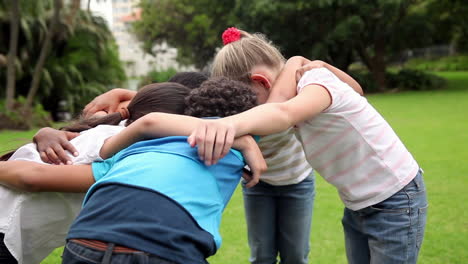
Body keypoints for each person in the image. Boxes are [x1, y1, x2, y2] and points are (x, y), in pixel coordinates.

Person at [187, 29, 428, 264]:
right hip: (359, 205)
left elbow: (281, 112)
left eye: (249, 103)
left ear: (260, 81)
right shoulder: (299, 89)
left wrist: (219, 127)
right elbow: (351, 92)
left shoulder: (314, 82)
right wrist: (297, 61)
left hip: (396, 200)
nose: (249, 111)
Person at [0, 77, 265, 264]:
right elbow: (31, 177)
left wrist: (44, 132)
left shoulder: (110, 133)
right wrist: (237, 137)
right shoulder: (118, 148)